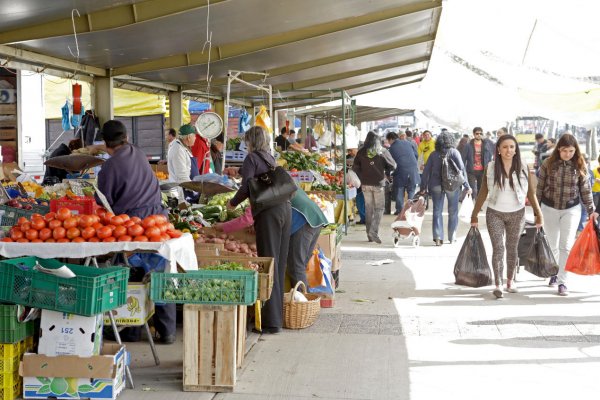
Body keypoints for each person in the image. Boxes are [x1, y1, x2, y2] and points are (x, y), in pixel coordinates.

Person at [95, 120, 175, 344]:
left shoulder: (109, 167)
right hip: (158, 222)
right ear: (126, 137)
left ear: (105, 142)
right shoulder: (137, 152)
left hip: (134, 227)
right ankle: (167, 330)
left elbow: (103, 200)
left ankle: (130, 330)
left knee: (129, 275)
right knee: (160, 275)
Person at [227, 126, 291, 334]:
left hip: (269, 213)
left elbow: (246, 187)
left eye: (247, 141)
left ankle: (271, 322)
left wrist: (233, 204)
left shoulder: (252, 158)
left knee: (268, 263)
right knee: (278, 263)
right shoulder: (269, 157)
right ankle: (277, 317)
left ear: (250, 141)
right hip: (284, 209)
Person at [470, 135, 543, 298]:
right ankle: (498, 284)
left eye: (511, 147)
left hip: (517, 214)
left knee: (512, 248)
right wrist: (474, 214)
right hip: (494, 213)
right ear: (498, 150)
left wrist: (538, 214)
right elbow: (483, 192)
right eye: (504, 147)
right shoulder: (490, 167)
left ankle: (510, 280)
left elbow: (531, 193)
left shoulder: (523, 166)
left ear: (515, 149)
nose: (508, 150)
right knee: (498, 248)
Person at [215, 188, 328, 288]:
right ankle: (303, 297)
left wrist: (223, 227)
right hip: (315, 217)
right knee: (300, 265)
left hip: (303, 221)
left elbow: (247, 219)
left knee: (296, 266)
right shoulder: (275, 184)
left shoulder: (260, 192)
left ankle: (302, 303)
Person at [536, 133, 598, 296]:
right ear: (559, 150)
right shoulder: (547, 164)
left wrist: (591, 210)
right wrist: (537, 211)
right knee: (553, 244)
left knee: (566, 246)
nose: (568, 154)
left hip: (572, 209)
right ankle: (554, 273)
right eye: (564, 150)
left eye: (571, 151)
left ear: (575, 150)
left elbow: (585, 190)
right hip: (549, 208)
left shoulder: (580, 164)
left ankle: (563, 281)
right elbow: (539, 188)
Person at [420, 131, 471, 246]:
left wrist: (423, 187)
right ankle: (452, 236)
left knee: (437, 211)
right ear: (451, 141)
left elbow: (426, 172)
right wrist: (467, 186)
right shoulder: (454, 152)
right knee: (453, 211)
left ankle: (438, 237)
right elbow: (462, 170)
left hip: (436, 185)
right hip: (452, 185)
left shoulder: (433, 154)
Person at [352, 131, 396, 244]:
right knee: (379, 208)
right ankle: (373, 232)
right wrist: (385, 171)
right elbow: (393, 165)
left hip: (365, 184)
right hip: (379, 184)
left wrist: (362, 176)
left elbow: (355, 167)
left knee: (369, 209)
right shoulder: (382, 151)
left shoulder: (361, 152)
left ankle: (369, 235)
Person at [386, 132, 419, 214]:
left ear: (390, 139)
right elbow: (416, 155)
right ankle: (410, 209)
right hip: (413, 170)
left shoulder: (392, 148)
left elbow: (390, 163)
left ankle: (399, 210)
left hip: (400, 171)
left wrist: (388, 173)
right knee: (411, 190)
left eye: (388, 141)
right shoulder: (408, 143)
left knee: (399, 190)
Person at [464, 127, 494, 198]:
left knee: (480, 189)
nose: (479, 135)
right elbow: (463, 158)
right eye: (477, 133)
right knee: (472, 189)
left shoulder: (486, 144)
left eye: (481, 133)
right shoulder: (468, 145)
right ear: (474, 134)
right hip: (471, 170)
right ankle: (471, 203)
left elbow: (489, 156)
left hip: (482, 170)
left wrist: (489, 167)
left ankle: (477, 206)